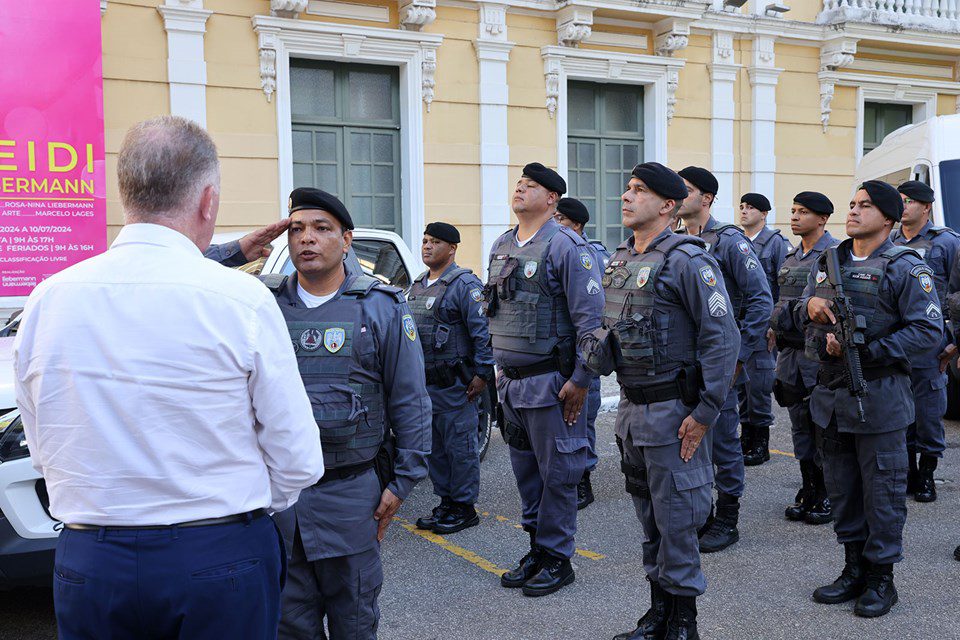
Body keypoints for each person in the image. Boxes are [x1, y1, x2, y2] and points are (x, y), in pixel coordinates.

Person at [13, 116, 325, 639]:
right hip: (219, 555)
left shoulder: (48, 298)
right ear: (208, 201)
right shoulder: (241, 300)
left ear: (125, 193)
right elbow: (297, 457)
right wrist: (231, 507)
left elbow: (43, 446)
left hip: (92, 559)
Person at [266, 188, 431, 639]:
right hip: (279, 502)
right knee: (288, 625)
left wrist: (403, 481)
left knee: (354, 621)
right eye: (297, 229)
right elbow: (188, 267)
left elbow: (411, 400)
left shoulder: (380, 306)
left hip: (349, 496)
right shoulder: (263, 305)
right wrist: (241, 248)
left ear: (347, 240)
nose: (307, 239)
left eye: (321, 228)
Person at [584, 162, 739, 640]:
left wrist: (705, 413)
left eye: (640, 191)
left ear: (668, 206)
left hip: (676, 414)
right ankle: (657, 613)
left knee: (677, 523)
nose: (627, 197)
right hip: (633, 412)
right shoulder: (621, 261)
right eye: (627, 188)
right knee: (650, 520)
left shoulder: (689, 261)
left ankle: (683, 623)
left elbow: (722, 339)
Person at [800, 180, 942, 618]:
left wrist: (866, 351)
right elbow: (801, 309)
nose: (855, 211)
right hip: (832, 397)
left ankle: (882, 578)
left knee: (883, 491)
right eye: (852, 204)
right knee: (842, 490)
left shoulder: (905, 267)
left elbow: (928, 332)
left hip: (879, 398)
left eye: (865, 206)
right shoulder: (830, 261)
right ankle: (853, 568)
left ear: (888, 217)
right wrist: (808, 310)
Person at [485, 163, 604, 597]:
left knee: (558, 474)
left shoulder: (568, 247)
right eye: (518, 183)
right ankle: (537, 547)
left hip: (551, 384)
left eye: (531, 185)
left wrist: (581, 380)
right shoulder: (502, 244)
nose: (520, 189)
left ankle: (558, 558)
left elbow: (591, 322)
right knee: (527, 474)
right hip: (511, 384)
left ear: (552, 198)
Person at [675, 167, 773, 553]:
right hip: (684, 364)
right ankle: (700, 511)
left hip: (720, 362)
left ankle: (727, 516)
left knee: (724, 444)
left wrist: (738, 357)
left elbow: (760, 299)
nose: (678, 196)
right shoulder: (676, 241)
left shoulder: (730, 241)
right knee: (689, 440)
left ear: (707, 198)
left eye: (686, 190)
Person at [410, 222, 495, 534]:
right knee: (436, 449)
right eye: (425, 240)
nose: (427, 246)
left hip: (457, 386)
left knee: (460, 447)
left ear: (452, 248)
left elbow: (482, 332)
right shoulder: (418, 285)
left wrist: (483, 374)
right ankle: (446, 501)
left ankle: (463, 506)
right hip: (427, 386)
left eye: (435, 242)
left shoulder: (464, 285)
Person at [769, 192, 838, 525]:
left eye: (803, 212)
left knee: (821, 425)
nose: (794, 217)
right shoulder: (792, 256)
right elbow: (781, 302)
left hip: (817, 355)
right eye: (793, 210)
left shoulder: (835, 256)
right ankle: (808, 487)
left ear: (822, 219)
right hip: (790, 353)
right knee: (799, 425)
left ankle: (827, 493)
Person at [889, 180, 960, 503]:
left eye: (909, 201)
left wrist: (956, 342)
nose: (903, 205)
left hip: (932, 343)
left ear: (926, 206)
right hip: (897, 340)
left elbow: (957, 296)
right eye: (899, 200)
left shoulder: (946, 243)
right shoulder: (888, 240)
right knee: (897, 409)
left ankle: (927, 474)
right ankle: (907, 472)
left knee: (929, 412)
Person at [554, 196, 611, 509]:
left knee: (582, 417)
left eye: (560, 219)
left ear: (575, 224)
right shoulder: (552, 248)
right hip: (560, 348)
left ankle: (583, 480)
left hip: (586, 348)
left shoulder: (592, 254)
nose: (555, 224)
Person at [738, 192, 791, 466]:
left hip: (762, 325)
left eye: (751, 208)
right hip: (741, 324)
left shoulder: (775, 244)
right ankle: (746, 436)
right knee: (741, 385)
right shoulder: (737, 242)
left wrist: (775, 324)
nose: (744, 211)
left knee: (758, 385)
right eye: (742, 207)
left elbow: (785, 287)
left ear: (764, 213)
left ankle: (760, 442)